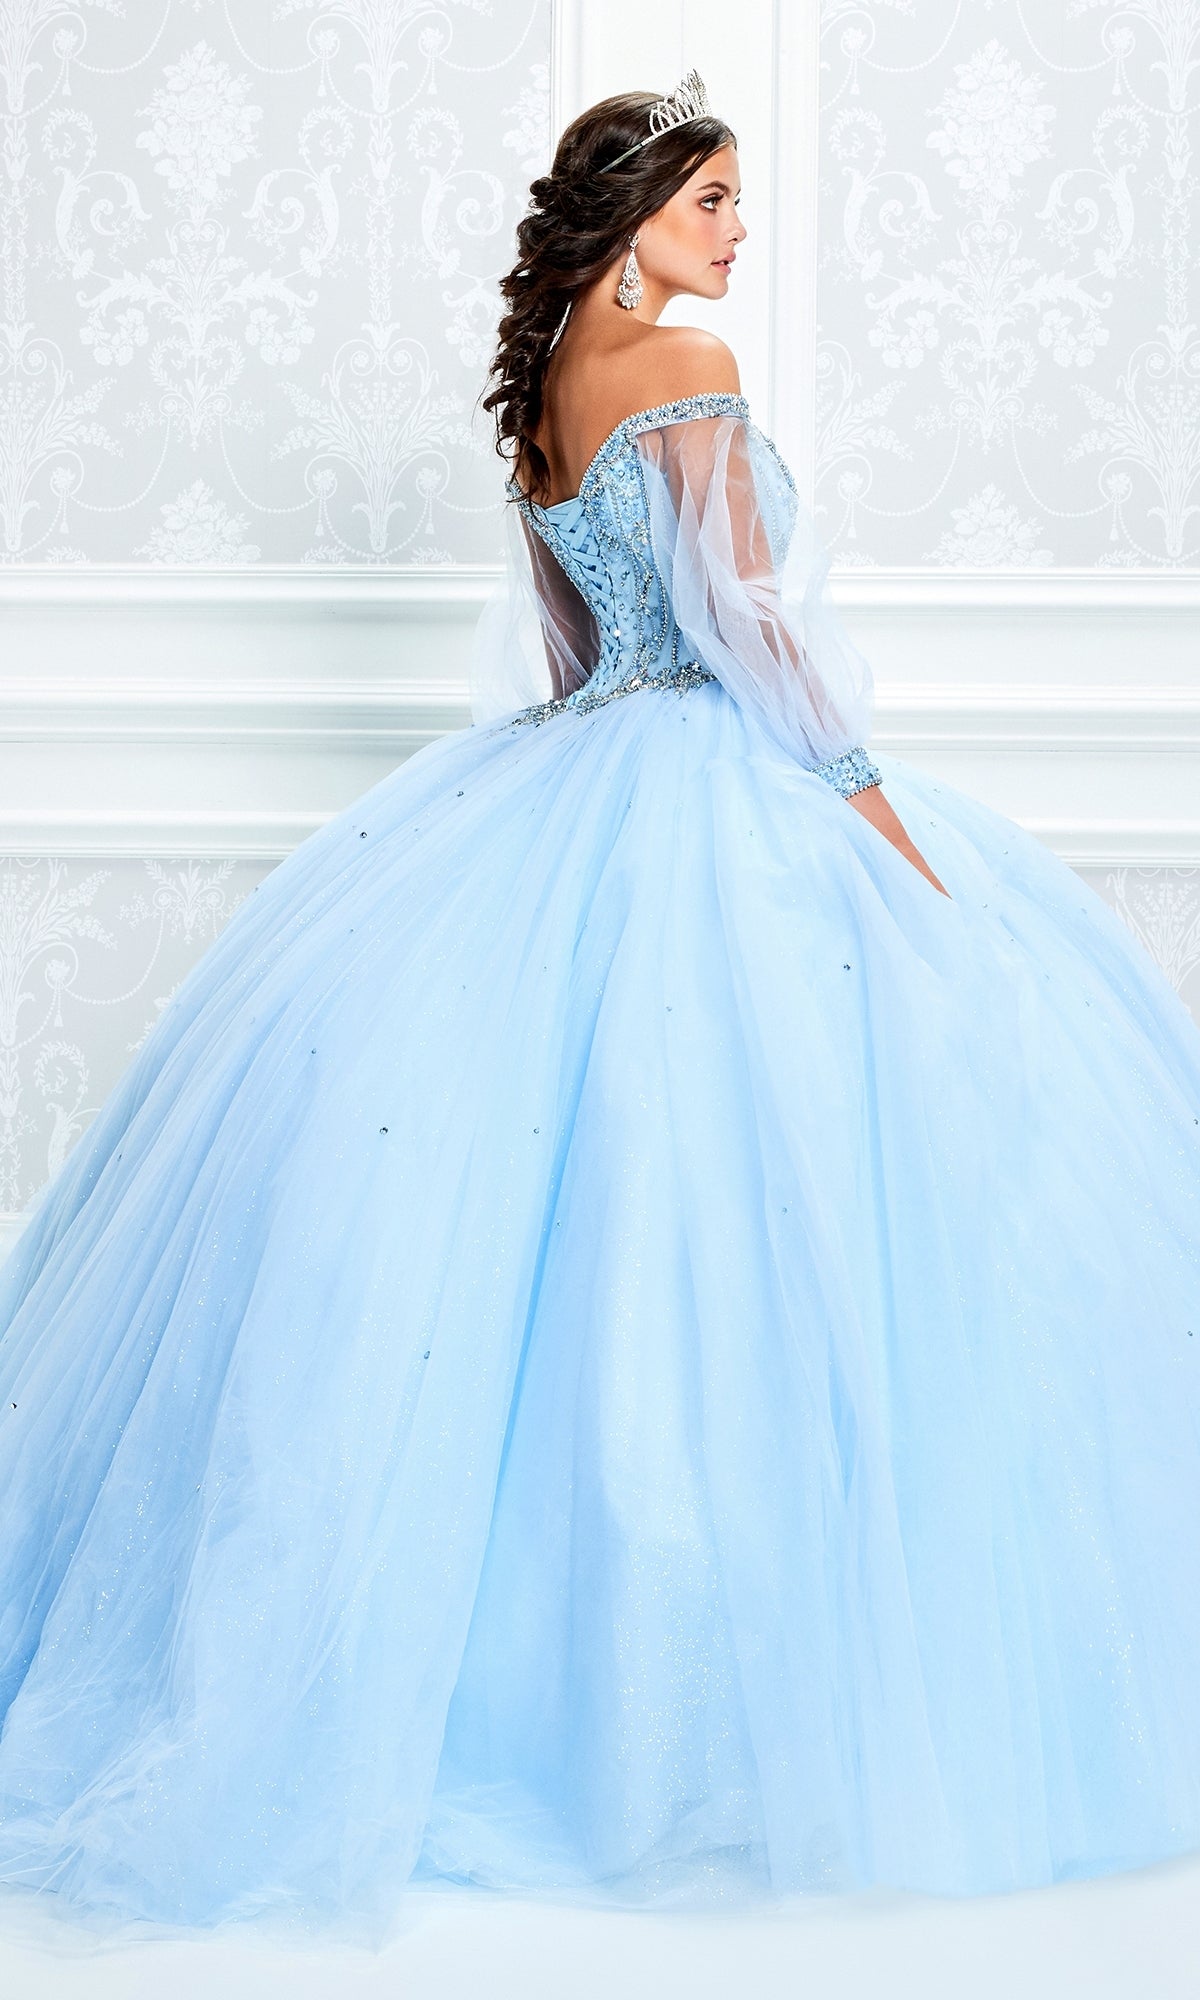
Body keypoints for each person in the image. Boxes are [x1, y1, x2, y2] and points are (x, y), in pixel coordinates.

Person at [1, 70, 1200, 1954]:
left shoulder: (551, 387)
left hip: (567, 779)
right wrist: (871, 801)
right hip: (727, 782)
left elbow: (575, 655)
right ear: (637, 213)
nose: (736, 235)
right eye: (715, 199)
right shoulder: (690, 371)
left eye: (740, 206)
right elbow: (751, 627)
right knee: (777, 1203)